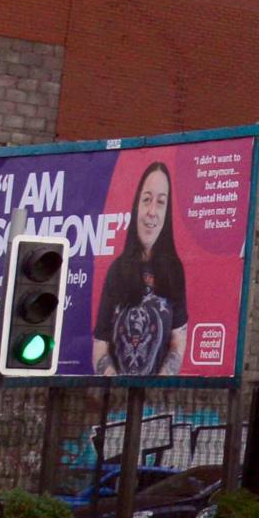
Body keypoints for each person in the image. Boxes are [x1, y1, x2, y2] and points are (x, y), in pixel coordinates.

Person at [96, 159, 192, 376]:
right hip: (116, 401)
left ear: (167, 213)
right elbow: (100, 344)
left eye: (160, 202)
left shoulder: (174, 271)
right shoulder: (117, 270)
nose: (152, 211)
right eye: (146, 199)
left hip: (156, 402)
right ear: (136, 205)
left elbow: (178, 340)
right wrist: (117, 385)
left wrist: (156, 386)